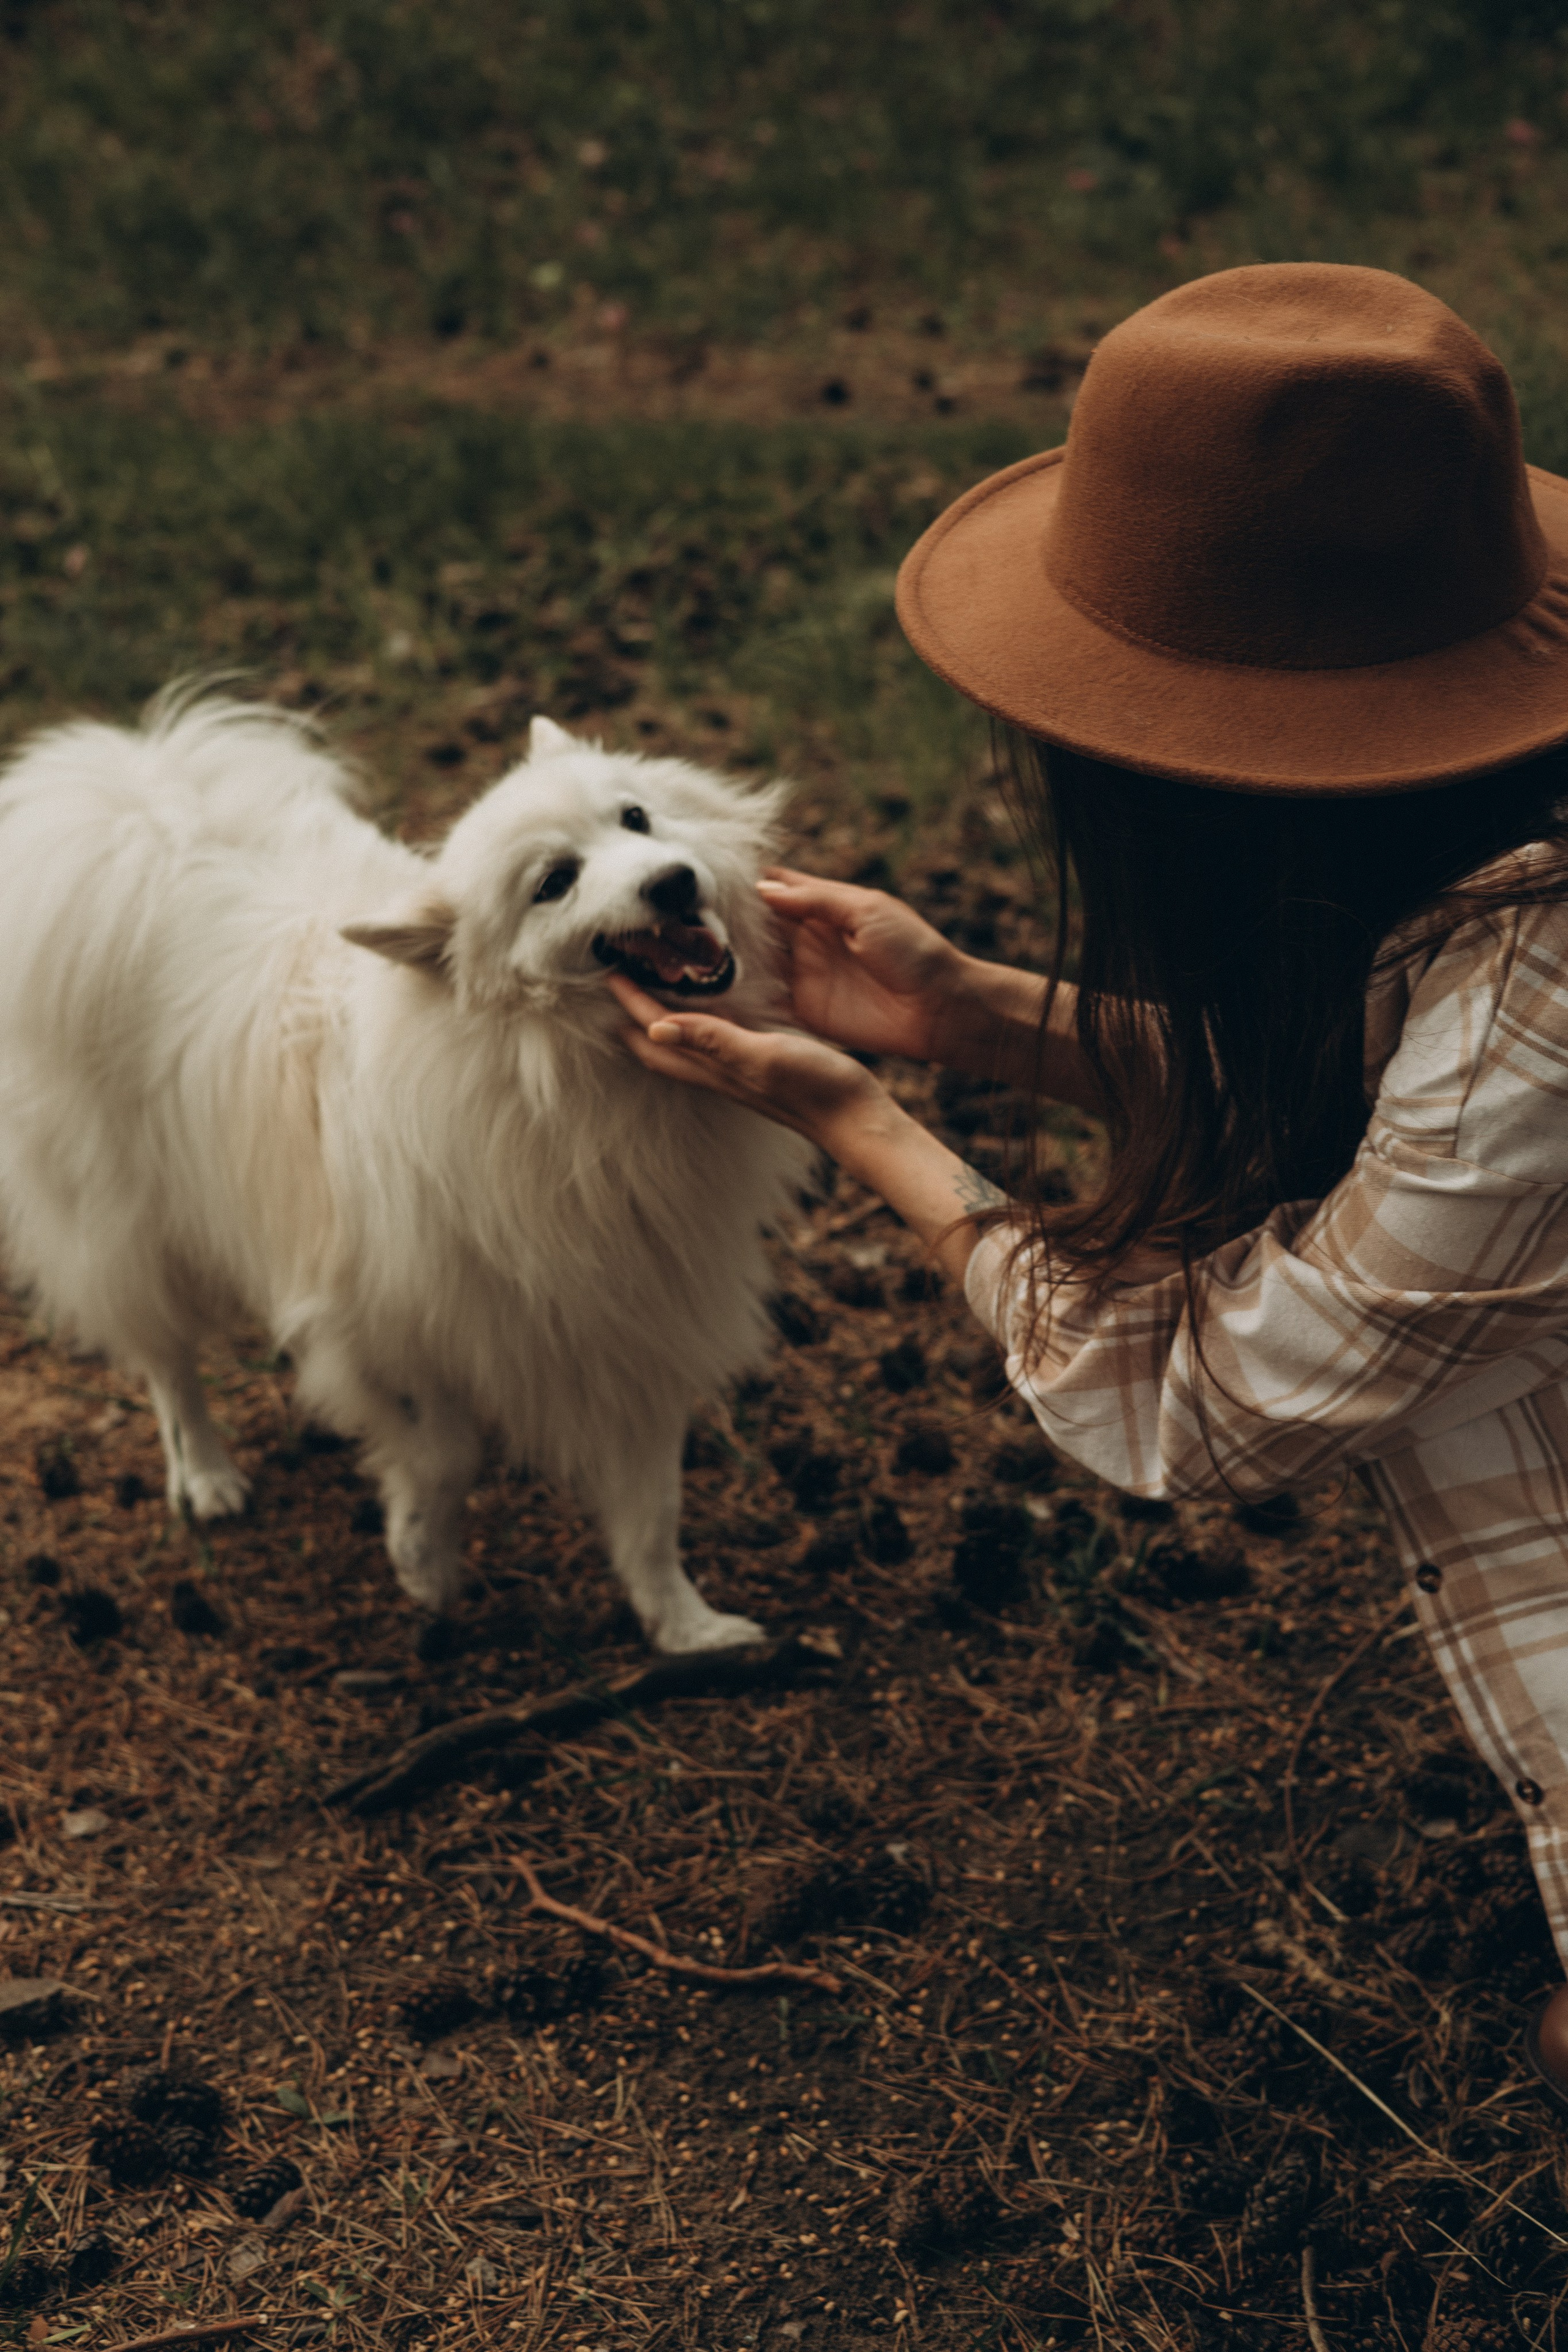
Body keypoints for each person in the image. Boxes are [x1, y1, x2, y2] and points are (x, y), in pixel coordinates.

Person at [611, 262, 1568, 2111]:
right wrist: (973, 1014)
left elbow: (1204, 1398)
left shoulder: (1540, 1023)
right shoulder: (1502, 909)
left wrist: (870, 1128)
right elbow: (1416, 1123)